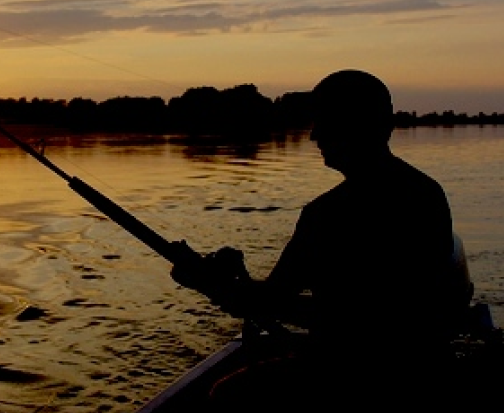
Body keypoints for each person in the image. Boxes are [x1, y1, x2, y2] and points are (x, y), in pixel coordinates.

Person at [172, 69, 470, 411]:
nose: (314, 136)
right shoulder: (427, 193)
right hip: (425, 369)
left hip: (350, 377)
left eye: (325, 123)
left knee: (226, 396)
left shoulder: (325, 215)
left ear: (357, 126)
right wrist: (232, 286)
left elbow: (276, 303)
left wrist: (205, 281)